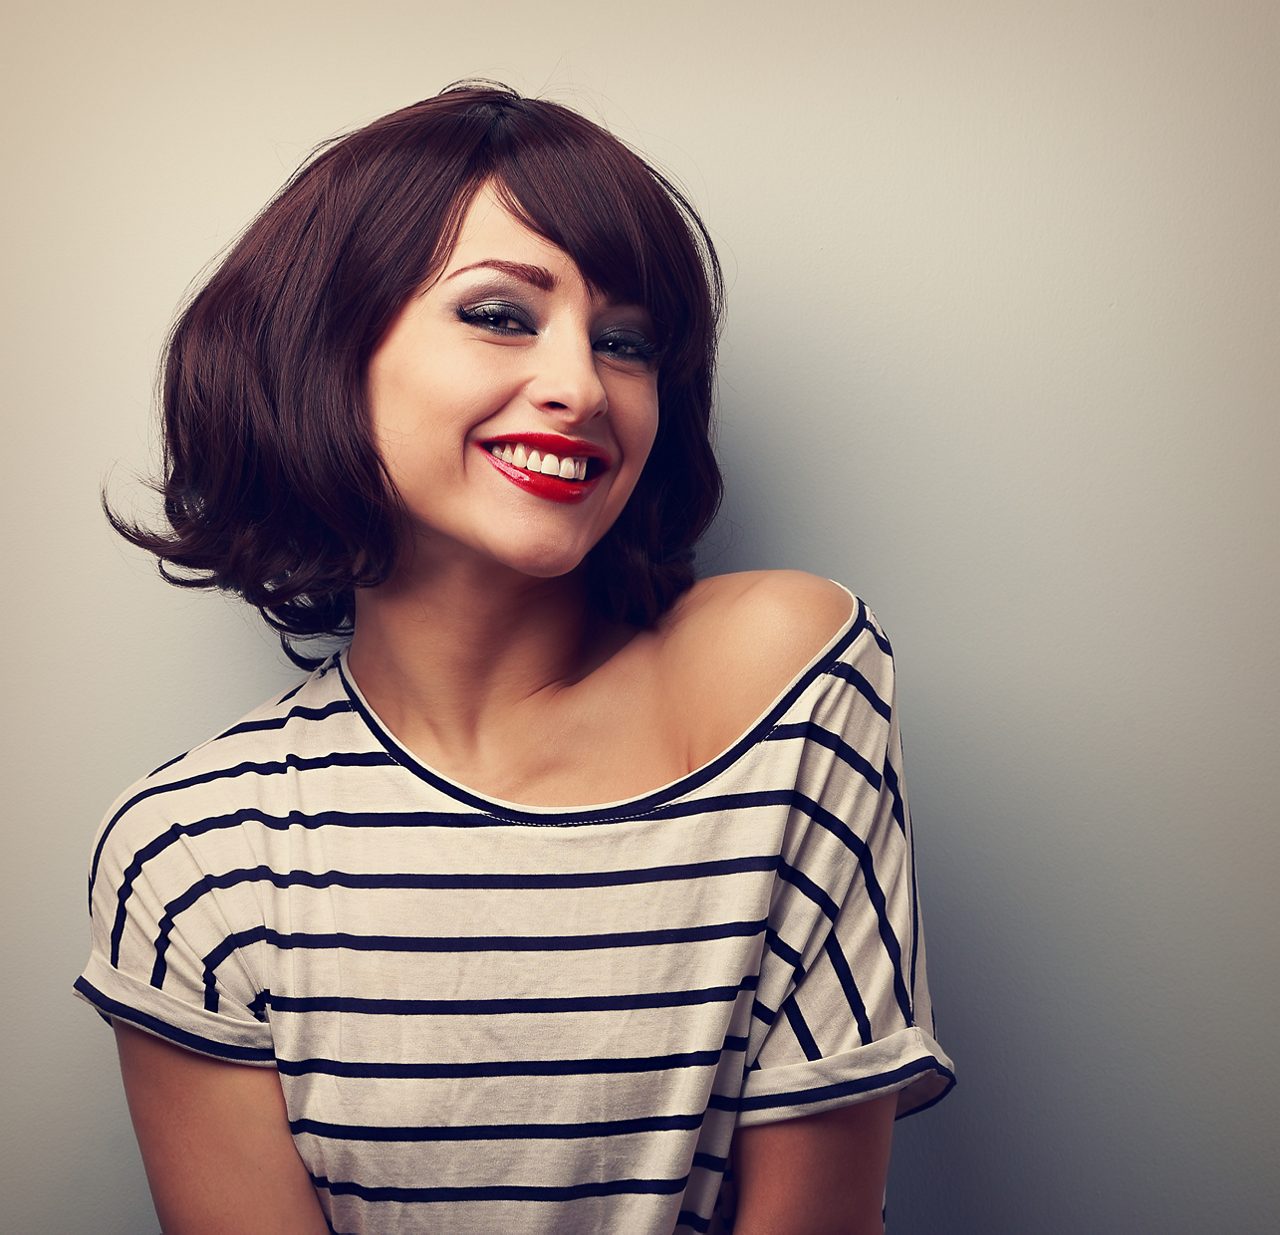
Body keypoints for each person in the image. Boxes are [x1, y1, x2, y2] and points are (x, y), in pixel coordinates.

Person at [75, 82, 955, 1235]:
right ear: (325, 349)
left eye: (625, 341)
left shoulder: (780, 677)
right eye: (499, 313)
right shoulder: (188, 847)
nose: (581, 386)